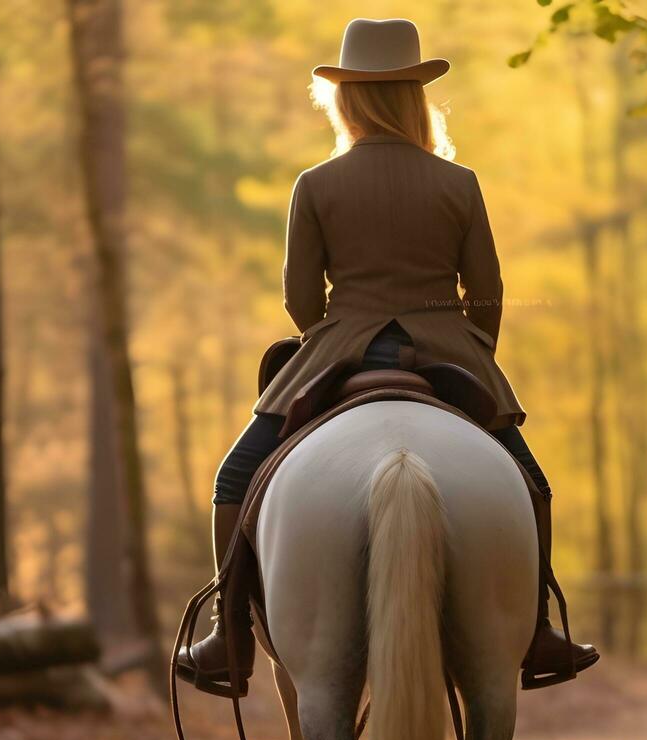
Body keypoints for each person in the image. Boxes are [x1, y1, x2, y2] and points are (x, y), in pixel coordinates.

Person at [174, 17, 599, 698]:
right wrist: (470, 350)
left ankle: (229, 639)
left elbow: (297, 295)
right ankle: (540, 629)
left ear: (346, 98)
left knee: (234, 477)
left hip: (337, 348)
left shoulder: (314, 184)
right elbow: (486, 290)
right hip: (448, 347)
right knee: (530, 482)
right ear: (414, 97)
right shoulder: (458, 183)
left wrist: (330, 336)